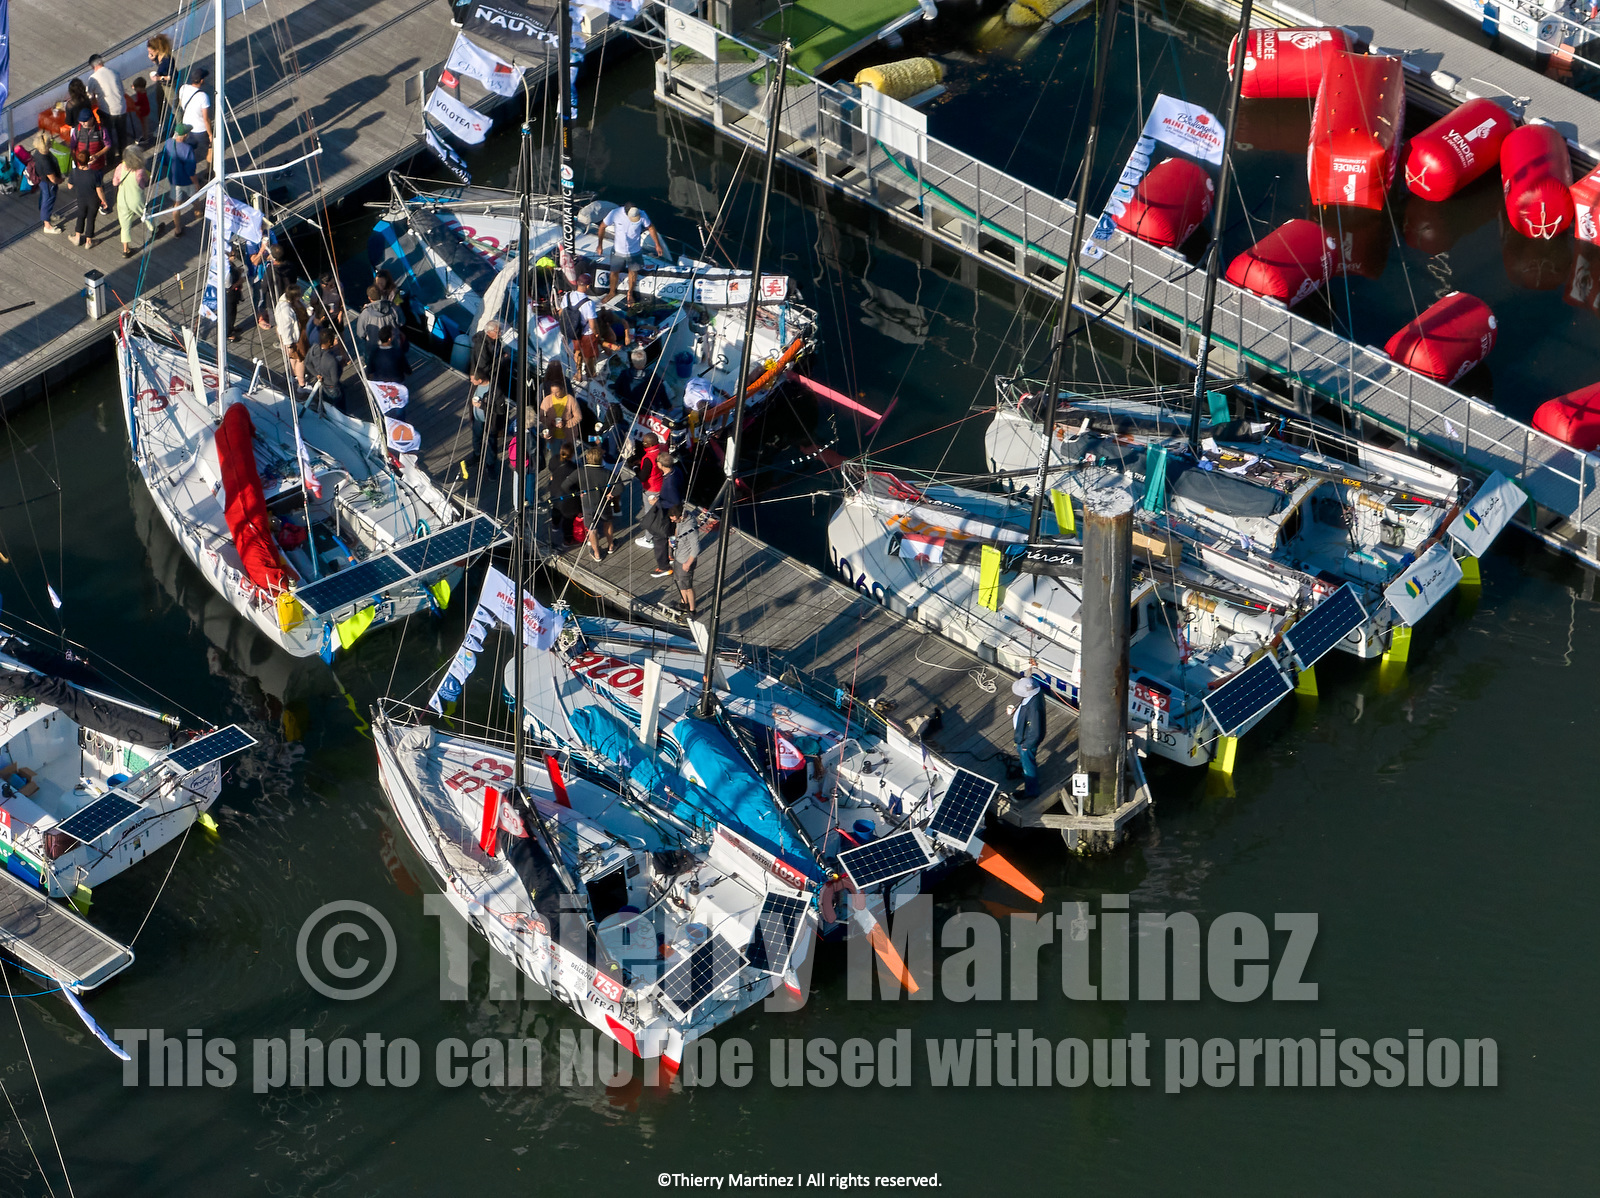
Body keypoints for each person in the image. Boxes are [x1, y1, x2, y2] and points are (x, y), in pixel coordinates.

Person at [596, 204, 667, 306]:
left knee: (633, 273)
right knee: (614, 272)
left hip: (635, 252)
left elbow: (650, 228)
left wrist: (657, 245)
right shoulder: (615, 213)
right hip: (618, 251)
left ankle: (630, 293)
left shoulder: (642, 214)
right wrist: (600, 245)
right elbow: (602, 226)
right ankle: (612, 292)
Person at [67, 109, 110, 248]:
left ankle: (78, 237)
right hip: (82, 167)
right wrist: (77, 162)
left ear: (92, 118)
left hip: (96, 166)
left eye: (85, 120)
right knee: (95, 197)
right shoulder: (77, 130)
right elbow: (72, 147)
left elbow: (108, 145)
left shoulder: (101, 130)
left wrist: (97, 155)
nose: (83, 123)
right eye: (81, 121)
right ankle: (89, 240)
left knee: (82, 211)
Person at [566, 443, 615, 562]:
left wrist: (579, 492)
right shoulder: (606, 473)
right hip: (603, 503)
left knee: (592, 528)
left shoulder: (580, 472)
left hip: (587, 504)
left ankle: (597, 554)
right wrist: (611, 494)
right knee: (607, 522)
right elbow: (619, 487)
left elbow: (565, 485)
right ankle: (611, 546)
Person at [1008, 675, 1046, 799]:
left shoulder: (1034, 709)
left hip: (1026, 741)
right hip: (1023, 738)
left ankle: (1031, 791)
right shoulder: (1034, 697)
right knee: (1025, 760)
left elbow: (1035, 731)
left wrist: (1027, 745)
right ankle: (1022, 771)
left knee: (1028, 764)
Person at [557, 275, 600, 382]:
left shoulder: (567, 296)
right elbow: (592, 324)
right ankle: (590, 373)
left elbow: (561, 312)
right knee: (589, 356)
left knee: (577, 351)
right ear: (588, 286)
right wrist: (596, 334)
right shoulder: (589, 303)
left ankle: (578, 373)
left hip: (573, 331)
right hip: (586, 333)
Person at [160, 123, 197, 237]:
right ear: (185, 135)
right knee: (195, 196)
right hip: (186, 181)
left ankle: (177, 229)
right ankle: (199, 211)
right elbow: (191, 171)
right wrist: (196, 183)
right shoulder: (187, 149)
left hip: (173, 179)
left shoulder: (168, 143)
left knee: (176, 204)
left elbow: (164, 161)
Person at [538, 366, 581, 459]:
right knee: (556, 457)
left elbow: (578, 417)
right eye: (553, 392)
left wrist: (566, 423)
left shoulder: (570, 399)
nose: (555, 394)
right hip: (554, 436)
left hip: (568, 436)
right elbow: (541, 416)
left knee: (570, 458)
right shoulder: (547, 400)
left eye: (557, 392)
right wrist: (551, 422)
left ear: (562, 389)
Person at [87, 55, 129, 151]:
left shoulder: (93, 78)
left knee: (108, 136)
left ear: (92, 66)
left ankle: (110, 158)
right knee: (122, 135)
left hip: (108, 111)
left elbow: (90, 98)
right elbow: (122, 92)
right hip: (122, 108)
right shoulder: (115, 72)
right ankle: (124, 157)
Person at [114, 148, 148, 259]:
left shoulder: (120, 167)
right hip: (135, 198)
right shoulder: (140, 171)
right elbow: (144, 182)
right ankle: (155, 229)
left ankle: (126, 249)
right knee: (145, 214)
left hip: (122, 198)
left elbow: (115, 182)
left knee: (124, 225)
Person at [275, 285, 311, 388]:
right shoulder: (285, 311)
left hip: (301, 333)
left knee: (294, 357)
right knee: (301, 359)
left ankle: (293, 375)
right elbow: (285, 329)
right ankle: (302, 384)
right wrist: (289, 345)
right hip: (296, 338)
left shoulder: (294, 302)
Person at [178, 66, 213, 167]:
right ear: (201, 80)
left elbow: (181, 104)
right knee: (211, 147)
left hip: (187, 126)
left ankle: (187, 167)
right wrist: (210, 135)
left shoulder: (183, 88)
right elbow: (206, 119)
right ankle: (208, 172)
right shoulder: (203, 97)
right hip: (200, 129)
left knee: (189, 148)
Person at [304, 328, 346, 413]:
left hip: (322, 386)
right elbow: (335, 380)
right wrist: (340, 366)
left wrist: (316, 374)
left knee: (327, 407)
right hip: (332, 388)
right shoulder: (331, 360)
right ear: (330, 342)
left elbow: (307, 363)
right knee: (340, 410)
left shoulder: (314, 348)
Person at [30, 133, 64, 235]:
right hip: (49, 184)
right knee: (48, 201)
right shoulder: (46, 162)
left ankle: (46, 214)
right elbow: (53, 179)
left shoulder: (38, 153)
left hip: (42, 182)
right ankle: (47, 225)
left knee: (44, 199)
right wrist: (60, 180)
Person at [547, 441, 580, 545]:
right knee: (568, 518)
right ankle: (567, 539)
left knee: (556, 509)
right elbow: (576, 482)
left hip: (554, 489)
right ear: (572, 455)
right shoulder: (573, 468)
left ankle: (555, 525)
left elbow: (551, 468)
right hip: (566, 496)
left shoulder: (554, 459)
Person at [670, 505, 702, 613]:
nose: (672, 520)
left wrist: (688, 563)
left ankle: (692, 610)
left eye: (673, 518)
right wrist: (673, 540)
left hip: (685, 561)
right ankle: (684, 603)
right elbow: (677, 529)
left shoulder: (690, 528)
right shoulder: (681, 519)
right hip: (678, 557)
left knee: (688, 587)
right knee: (680, 583)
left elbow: (696, 548)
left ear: (680, 516)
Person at [147, 35, 176, 130]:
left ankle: (181, 126)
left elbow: (171, 76)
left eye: (151, 51)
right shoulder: (159, 57)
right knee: (160, 102)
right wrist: (153, 59)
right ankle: (161, 124)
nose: (150, 53)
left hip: (168, 84)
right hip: (161, 83)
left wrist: (159, 78)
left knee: (174, 105)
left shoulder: (167, 59)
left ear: (157, 49)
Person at [656, 449, 685, 513]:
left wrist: (658, 503)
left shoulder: (669, 484)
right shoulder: (676, 470)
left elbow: (675, 502)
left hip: (669, 511)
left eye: (657, 461)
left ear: (660, 464)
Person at [130, 77, 152, 143]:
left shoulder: (141, 95)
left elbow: (139, 103)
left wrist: (134, 105)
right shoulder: (142, 91)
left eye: (136, 88)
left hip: (144, 111)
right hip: (145, 110)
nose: (135, 89)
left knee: (144, 125)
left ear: (140, 88)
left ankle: (145, 138)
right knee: (144, 124)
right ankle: (145, 135)